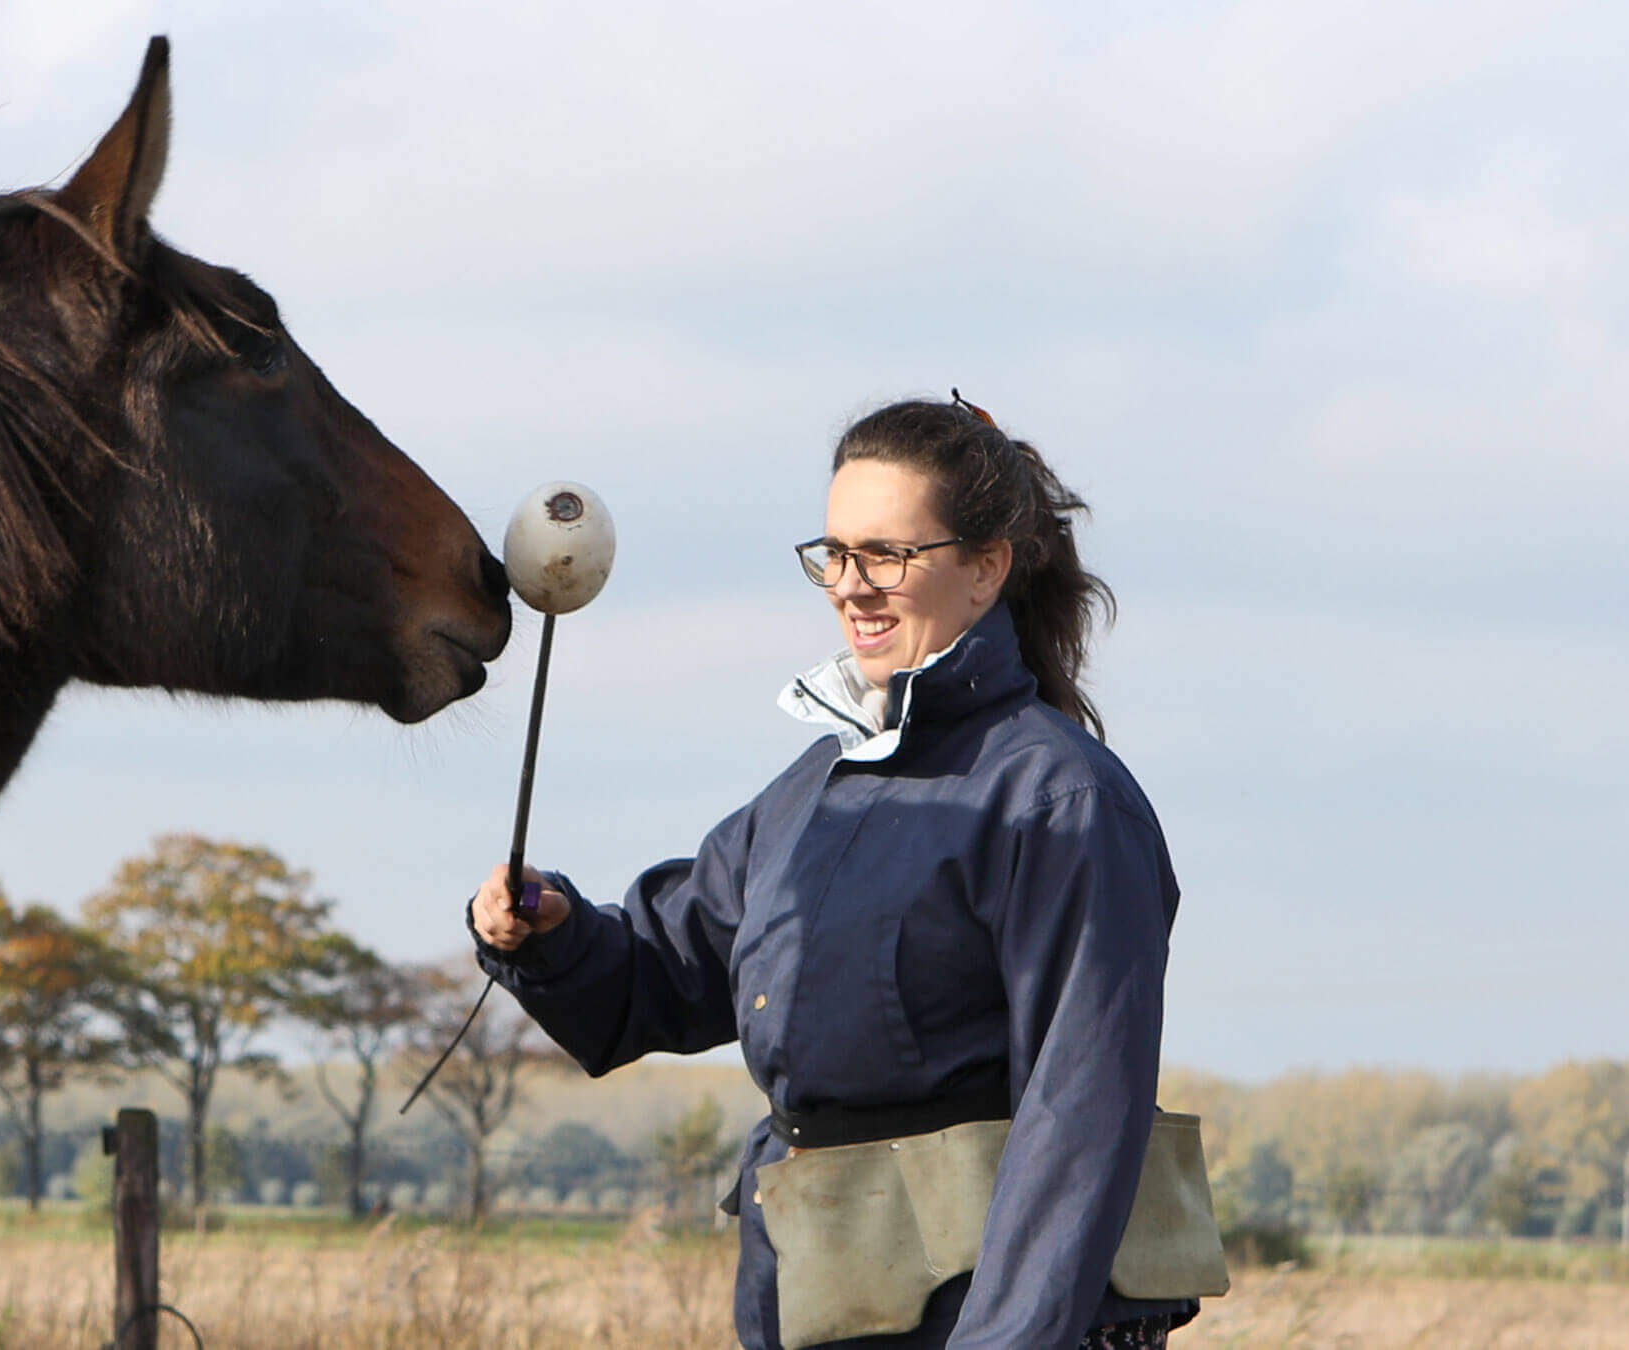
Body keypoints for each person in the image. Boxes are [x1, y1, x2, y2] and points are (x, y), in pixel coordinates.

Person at [469, 395, 1212, 1349]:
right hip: (819, 1299)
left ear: (987, 569)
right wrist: (553, 935)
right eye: (835, 553)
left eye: (888, 554)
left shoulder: (1060, 801)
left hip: (984, 1317)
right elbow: (671, 975)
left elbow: (1080, 1113)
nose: (851, 585)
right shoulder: (808, 794)